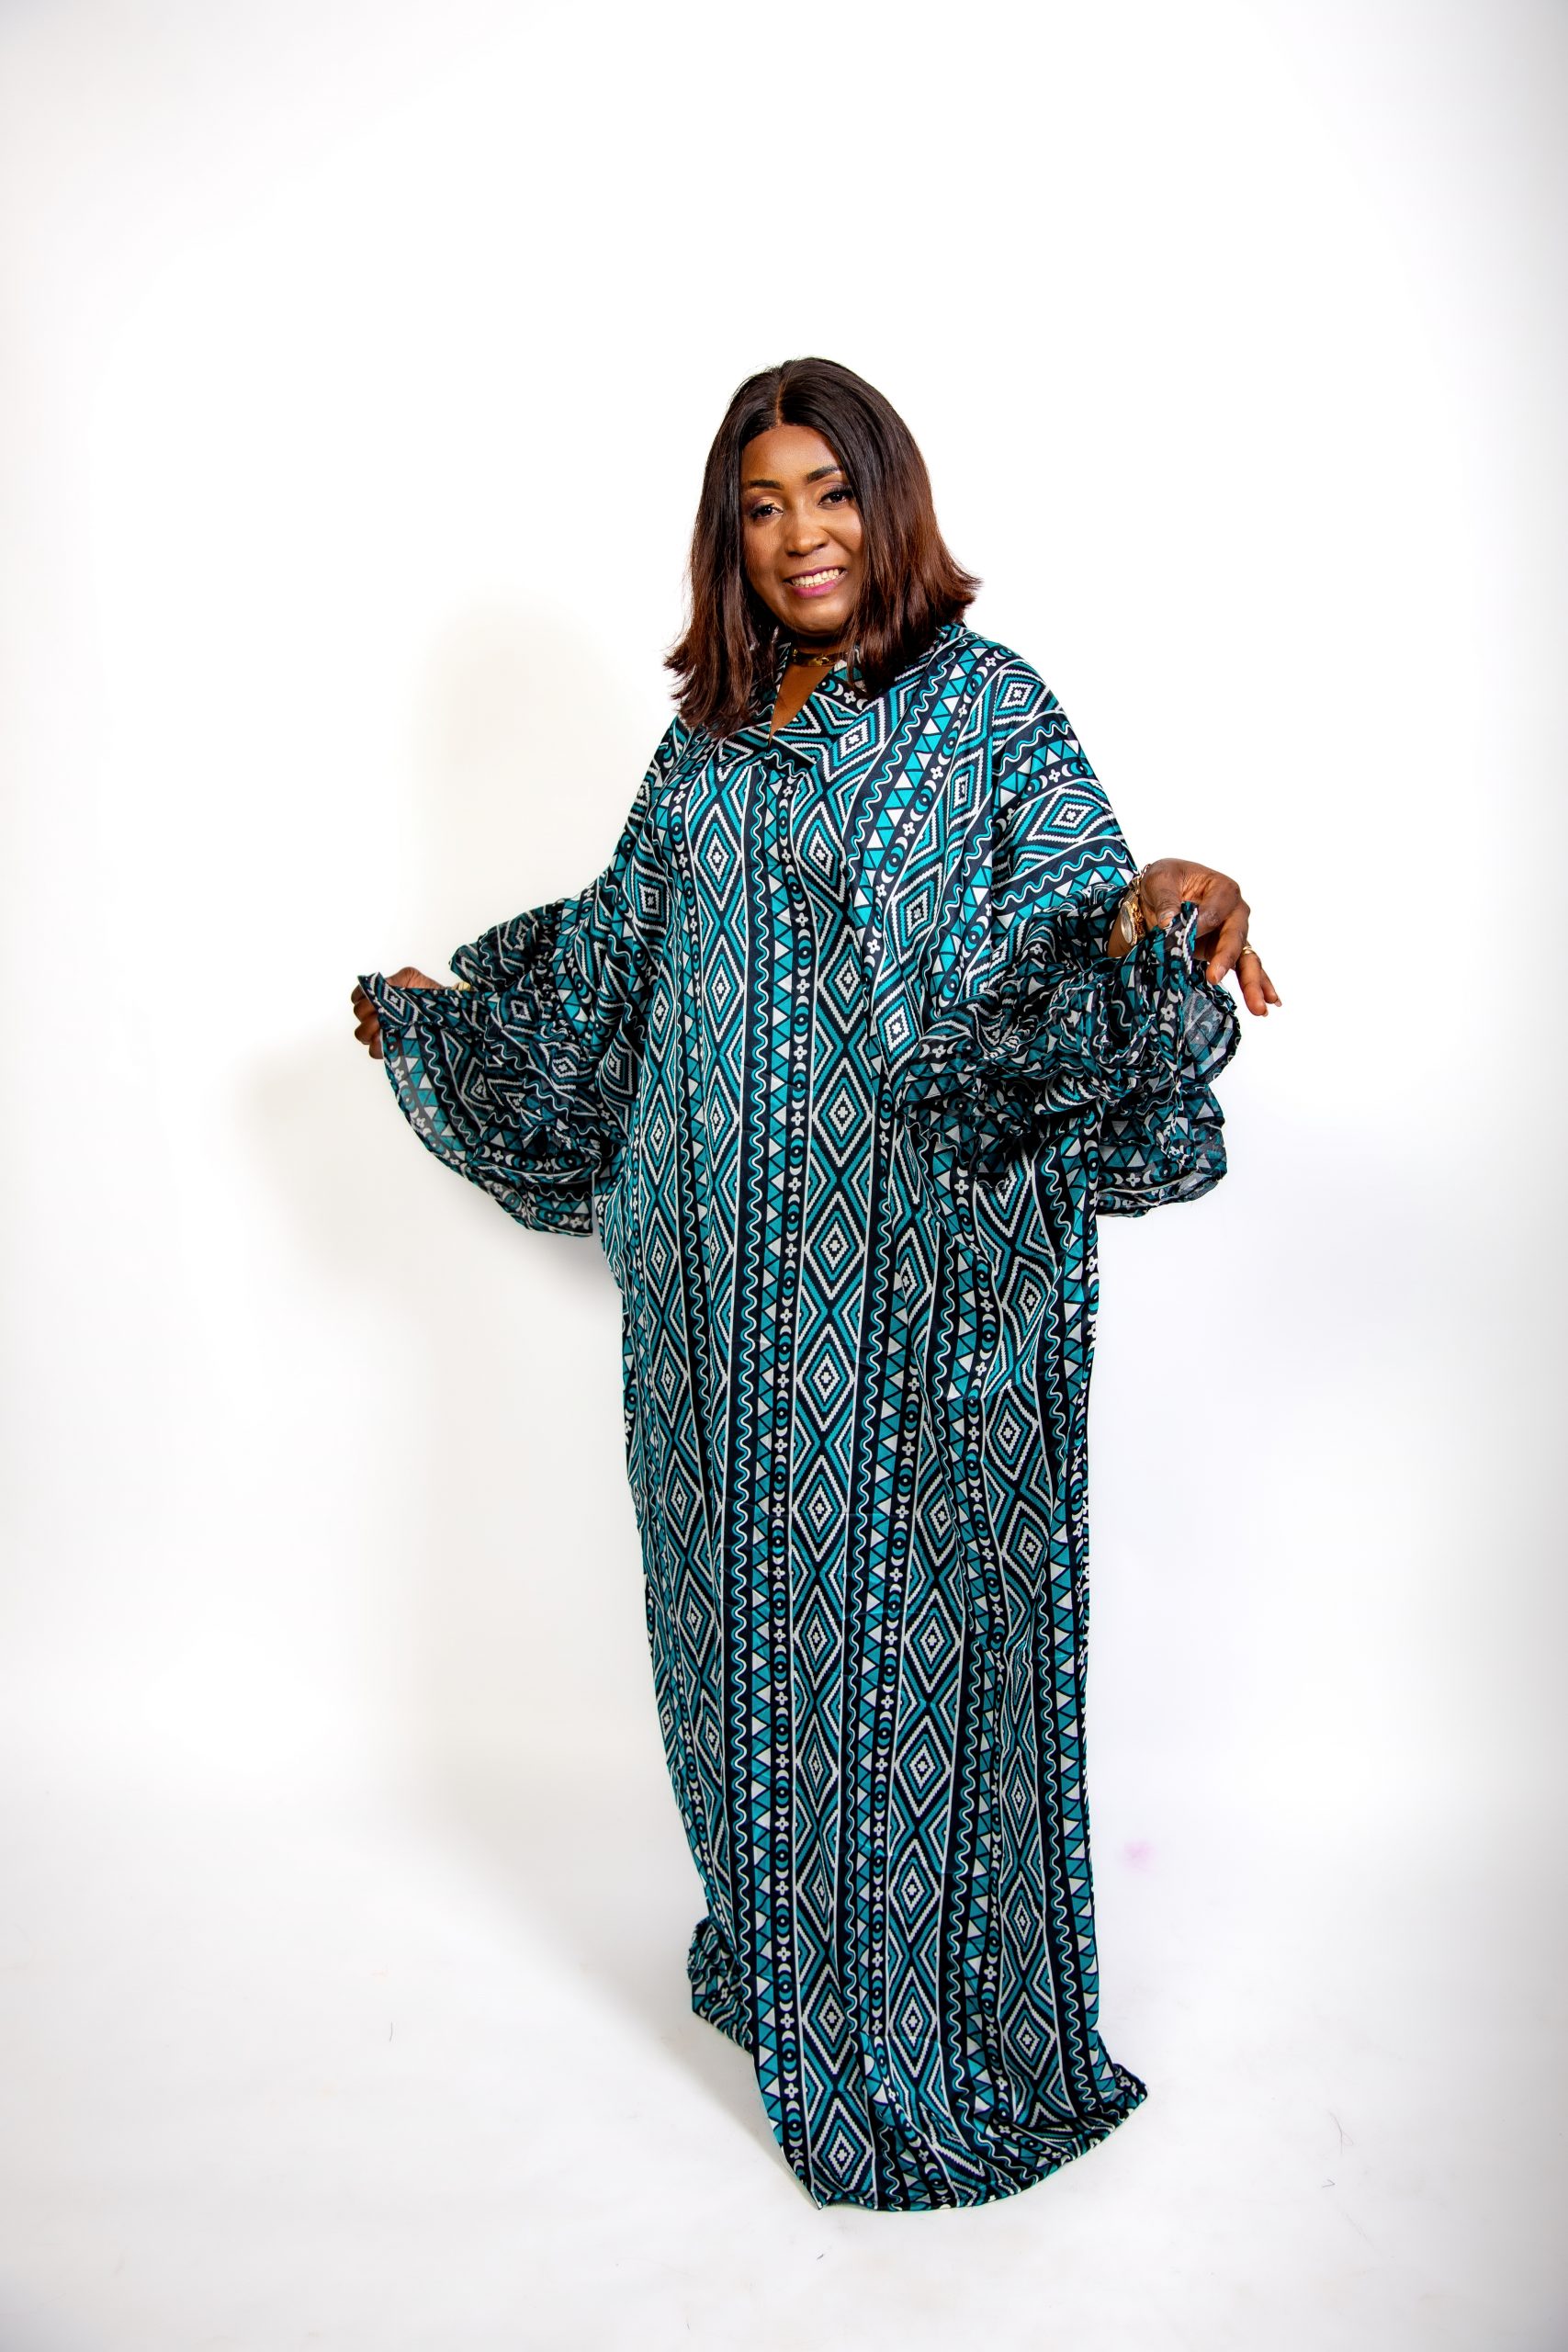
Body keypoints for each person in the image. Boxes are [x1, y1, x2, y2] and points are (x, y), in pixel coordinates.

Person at [351, 357, 1280, 2211]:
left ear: (888, 500)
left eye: (829, 493)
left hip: (917, 1292)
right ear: (730, 535)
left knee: (920, 1640)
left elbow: (1084, 915)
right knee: (730, 1639)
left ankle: (930, 2029)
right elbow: (615, 964)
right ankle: (789, 1956)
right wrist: (455, 1023)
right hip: (708, 1292)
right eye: (762, 504)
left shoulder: (986, 713)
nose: (801, 536)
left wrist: (1168, 900)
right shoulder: (701, 742)